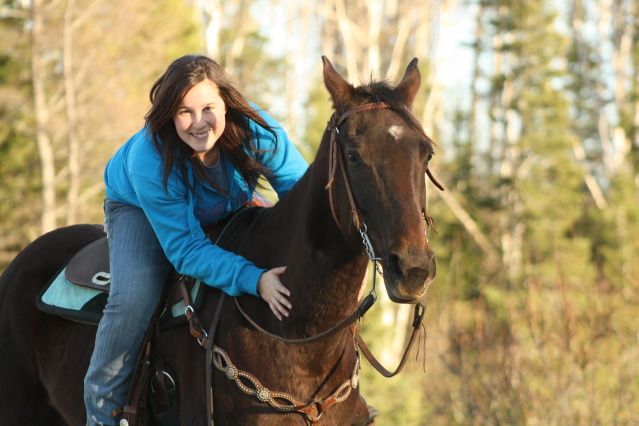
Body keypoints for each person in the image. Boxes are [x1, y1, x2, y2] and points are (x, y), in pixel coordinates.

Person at [84, 54, 308, 426]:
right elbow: (186, 251)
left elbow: (301, 195)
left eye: (208, 108)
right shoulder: (149, 158)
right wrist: (255, 279)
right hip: (139, 207)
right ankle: (102, 411)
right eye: (184, 111)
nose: (200, 123)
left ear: (226, 104)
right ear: (169, 115)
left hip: (226, 201)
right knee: (135, 296)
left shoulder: (257, 131)